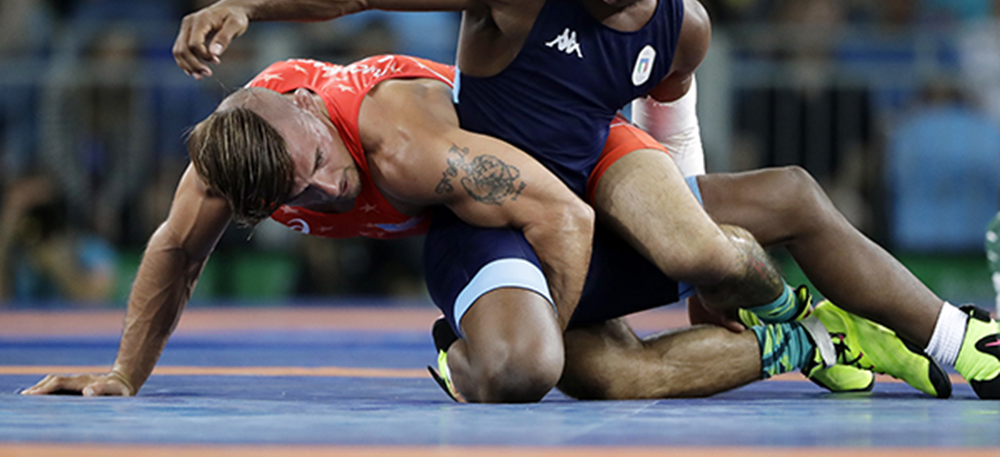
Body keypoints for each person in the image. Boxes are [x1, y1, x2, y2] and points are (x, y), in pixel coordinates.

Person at [169, 0, 998, 401]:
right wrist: (243, 2)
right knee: (579, 376)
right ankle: (808, 337)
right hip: (491, 226)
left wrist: (704, 263)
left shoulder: (684, 25)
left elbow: (675, 146)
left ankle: (964, 337)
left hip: (599, 193)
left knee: (770, 206)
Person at [21, 54, 944, 400]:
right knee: (561, 372)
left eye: (322, 167)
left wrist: (555, 315)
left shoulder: (401, 143)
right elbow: (174, 251)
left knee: (718, 240)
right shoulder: (236, 157)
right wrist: (124, 375)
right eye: (309, 199)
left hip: (574, 174)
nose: (335, 191)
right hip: (480, 226)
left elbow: (565, 217)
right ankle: (807, 340)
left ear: (306, 108)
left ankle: (907, 324)